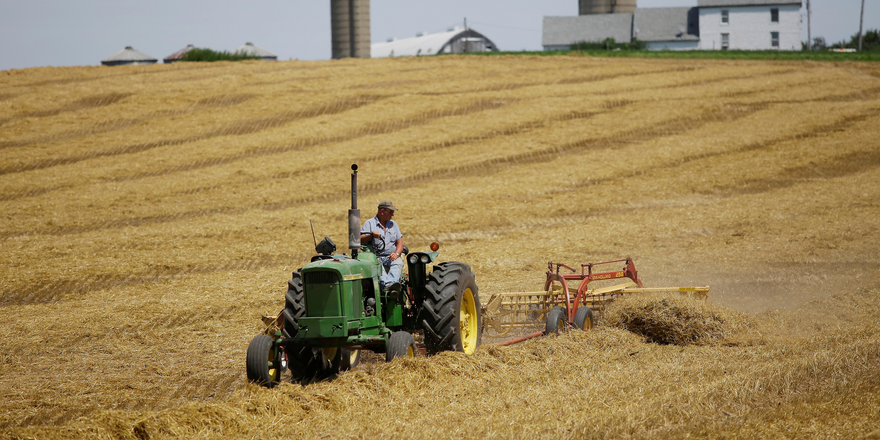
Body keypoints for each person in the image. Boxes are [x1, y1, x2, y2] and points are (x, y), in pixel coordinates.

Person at [360, 201, 404, 291]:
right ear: (382, 211)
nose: (392, 215)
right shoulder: (369, 223)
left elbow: (400, 243)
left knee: (398, 262)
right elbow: (360, 240)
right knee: (378, 266)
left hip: (390, 256)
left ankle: (392, 286)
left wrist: (396, 254)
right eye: (391, 212)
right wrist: (371, 235)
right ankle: (387, 288)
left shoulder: (393, 225)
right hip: (375, 257)